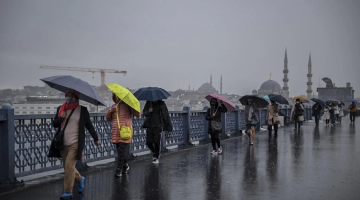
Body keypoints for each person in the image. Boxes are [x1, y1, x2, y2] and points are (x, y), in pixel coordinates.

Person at [48, 90, 100, 200]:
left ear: (76, 97)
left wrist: (96, 138)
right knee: (68, 168)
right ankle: (80, 179)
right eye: (67, 96)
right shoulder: (61, 109)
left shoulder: (82, 110)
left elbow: (89, 126)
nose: (68, 98)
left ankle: (68, 192)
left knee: (68, 167)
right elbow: (54, 124)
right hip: (62, 144)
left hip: (75, 144)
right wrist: (61, 117)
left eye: (71, 96)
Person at [106, 93, 140, 177]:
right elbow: (108, 118)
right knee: (120, 151)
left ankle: (119, 170)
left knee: (121, 150)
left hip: (125, 131)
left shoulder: (128, 106)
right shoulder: (114, 106)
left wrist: (133, 107)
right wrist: (110, 111)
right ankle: (125, 166)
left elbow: (138, 114)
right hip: (116, 131)